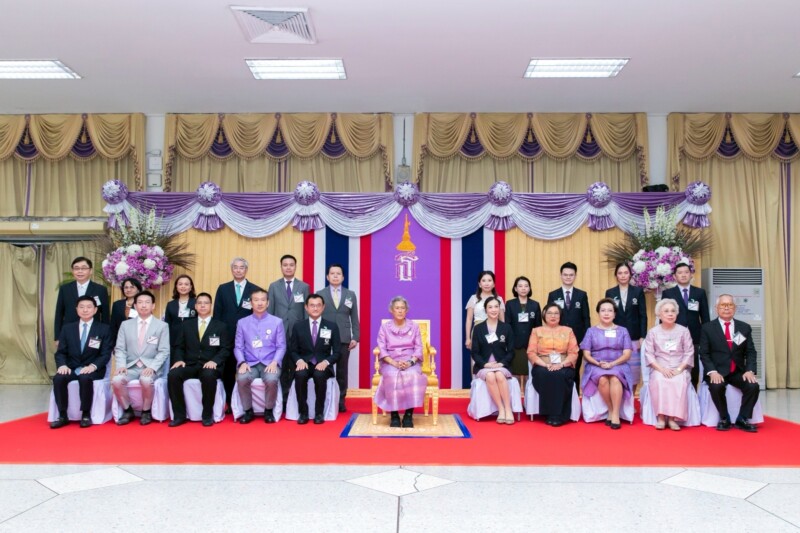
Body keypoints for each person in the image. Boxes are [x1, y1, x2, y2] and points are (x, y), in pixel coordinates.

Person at [168, 292, 232, 427]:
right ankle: (179, 415)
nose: (203, 305)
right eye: (200, 303)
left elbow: (225, 349)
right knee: (173, 375)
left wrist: (215, 361)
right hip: (190, 364)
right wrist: (178, 359)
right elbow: (179, 346)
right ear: (195, 306)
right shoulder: (186, 325)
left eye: (206, 303)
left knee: (208, 376)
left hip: (210, 365)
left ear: (211, 306)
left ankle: (207, 415)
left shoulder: (221, 326)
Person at [698, 294, 760, 433]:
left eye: (730, 305)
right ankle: (724, 418)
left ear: (735, 308)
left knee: (753, 386)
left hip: (737, 371)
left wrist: (750, 370)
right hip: (717, 371)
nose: (726, 308)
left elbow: (750, 352)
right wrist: (712, 372)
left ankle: (742, 418)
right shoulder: (708, 328)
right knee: (716, 386)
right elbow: (704, 353)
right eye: (723, 305)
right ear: (716, 308)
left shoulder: (744, 327)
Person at [50, 296, 113, 429]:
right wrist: (62, 365)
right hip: (72, 367)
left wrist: (93, 366)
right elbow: (60, 352)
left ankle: (85, 414)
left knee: (85, 378)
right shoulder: (67, 328)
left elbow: (105, 354)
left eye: (89, 307)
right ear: (76, 309)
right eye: (82, 307)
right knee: (59, 378)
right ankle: (62, 415)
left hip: (93, 369)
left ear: (95, 310)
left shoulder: (104, 329)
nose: (85, 310)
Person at [111, 291, 170, 426]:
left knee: (146, 380)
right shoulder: (125, 325)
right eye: (140, 303)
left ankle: (146, 411)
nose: (143, 305)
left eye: (147, 302)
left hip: (150, 366)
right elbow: (120, 348)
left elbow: (164, 351)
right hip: (130, 366)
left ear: (153, 305)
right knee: (117, 380)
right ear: (135, 306)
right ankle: (128, 410)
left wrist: (152, 367)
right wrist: (121, 365)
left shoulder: (162, 326)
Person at [214, 257, 263, 407]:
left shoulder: (255, 290)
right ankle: (229, 402)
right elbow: (217, 314)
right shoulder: (223, 289)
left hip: (249, 338)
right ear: (232, 269)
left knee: (246, 370)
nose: (238, 270)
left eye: (242, 267)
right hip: (227, 336)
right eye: (235, 267)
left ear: (246, 270)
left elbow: (260, 315)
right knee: (228, 370)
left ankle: (247, 404)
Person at [580, 298, 634, 430]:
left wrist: (612, 364)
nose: (606, 313)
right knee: (603, 379)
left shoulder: (623, 331)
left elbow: (627, 354)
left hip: (618, 364)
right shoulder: (591, 331)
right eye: (603, 310)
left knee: (615, 378)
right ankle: (611, 409)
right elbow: (586, 354)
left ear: (614, 314)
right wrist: (598, 363)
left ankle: (614, 414)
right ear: (598, 313)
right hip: (596, 365)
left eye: (610, 310)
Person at [233, 289, 285, 424]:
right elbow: (238, 347)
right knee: (242, 378)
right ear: (251, 303)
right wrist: (241, 362)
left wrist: (275, 362)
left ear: (268, 303)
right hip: (249, 363)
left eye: (263, 300)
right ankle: (248, 411)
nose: (259, 303)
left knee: (271, 379)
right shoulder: (242, 322)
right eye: (256, 300)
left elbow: (281, 346)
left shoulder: (277, 322)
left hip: (270, 362)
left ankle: (268, 411)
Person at [642, 298, 695, 431]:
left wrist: (679, 369)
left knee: (678, 381)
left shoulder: (684, 331)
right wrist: (662, 369)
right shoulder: (653, 332)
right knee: (660, 380)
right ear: (659, 314)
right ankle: (661, 417)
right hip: (659, 368)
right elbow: (649, 354)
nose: (670, 314)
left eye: (673, 311)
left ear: (677, 314)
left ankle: (672, 418)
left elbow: (689, 352)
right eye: (666, 311)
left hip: (679, 367)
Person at [375, 296, 427, 428]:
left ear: (406, 310)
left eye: (402, 308)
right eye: (397, 308)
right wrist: (393, 363)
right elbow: (382, 349)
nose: (400, 311)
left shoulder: (414, 326)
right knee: (392, 375)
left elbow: (419, 348)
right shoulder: (385, 327)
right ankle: (394, 415)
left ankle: (408, 415)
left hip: (410, 361)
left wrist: (410, 362)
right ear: (391, 310)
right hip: (390, 361)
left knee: (412, 375)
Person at [289, 294, 340, 424]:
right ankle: (303, 413)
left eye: (318, 305)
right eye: (312, 305)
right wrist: (299, 360)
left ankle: (319, 413)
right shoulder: (298, 326)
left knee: (319, 375)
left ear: (323, 307)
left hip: (323, 364)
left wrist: (326, 362)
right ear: (306, 307)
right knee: (300, 375)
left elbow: (337, 352)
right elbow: (293, 350)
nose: (315, 308)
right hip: (304, 363)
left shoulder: (332, 326)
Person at [267, 254, 310, 407]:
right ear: (281, 267)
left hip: (297, 332)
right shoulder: (274, 286)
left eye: (291, 265)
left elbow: (306, 311)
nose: (288, 267)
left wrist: (306, 331)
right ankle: (284, 399)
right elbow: (270, 311)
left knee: (296, 366)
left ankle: (295, 398)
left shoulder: (304, 287)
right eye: (285, 265)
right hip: (279, 332)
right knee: (282, 365)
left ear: (295, 267)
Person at [527, 303, 579, 427]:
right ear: (544, 315)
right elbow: (531, 353)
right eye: (550, 313)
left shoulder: (568, 331)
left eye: (556, 313)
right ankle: (550, 413)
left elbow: (574, 352)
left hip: (564, 364)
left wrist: (562, 364)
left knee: (560, 375)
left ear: (560, 316)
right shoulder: (536, 331)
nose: (553, 316)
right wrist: (545, 365)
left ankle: (557, 415)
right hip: (542, 364)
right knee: (546, 374)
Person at [317, 264, 360, 413]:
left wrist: (355, 337)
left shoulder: (350, 294)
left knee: (342, 371)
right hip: (325, 336)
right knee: (325, 369)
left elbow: (354, 317)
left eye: (338, 273)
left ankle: (341, 400)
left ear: (343, 277)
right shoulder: (320, 294)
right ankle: (326, 399)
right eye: (332, 273)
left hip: (344, 337)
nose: (335, 276)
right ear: (327, 277)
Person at [662, 262, 710, 387]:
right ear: (674, 276)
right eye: (680, 273)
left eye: (686, 272)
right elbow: (664, 318)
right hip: (673, 336)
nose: (683, 275)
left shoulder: (699, 293)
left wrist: (706, 337)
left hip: (695, 336)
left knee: (693, 365)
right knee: (673, 362)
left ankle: (692, 391)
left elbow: (705, 317)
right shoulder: (668, 293)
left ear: (691, 274)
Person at [471, 296, 516, 424]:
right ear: (485, 310)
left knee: (500, 375)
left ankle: (508, 409)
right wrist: (485, 364)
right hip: (484, 366)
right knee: (491, 376)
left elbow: (511, 351)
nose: (494, 310)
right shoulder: (478, 329)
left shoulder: (506, 328)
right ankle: (501, 409)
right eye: (490, 307)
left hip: (501, 365)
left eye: (496, 306)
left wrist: (502, 363)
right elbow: (475, 352)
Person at [547, 262, 590, 393]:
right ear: (561, 275)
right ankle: (560, 396)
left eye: (571, 275)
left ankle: (574, 397)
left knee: (574, 369)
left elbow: (586, 318)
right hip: (558, 339)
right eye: (565, 275)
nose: (568, 277)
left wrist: (586, 340)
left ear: (575, 276)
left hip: (577, 340)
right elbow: (549, 318)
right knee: (558, 369)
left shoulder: (581, 295)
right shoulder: (553, 295)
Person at [605, 263, 647, 386]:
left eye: (625, 273)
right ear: (616, 276)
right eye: (620, 273)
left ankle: (631, 396)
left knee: (633, 371)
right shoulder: (610, 292)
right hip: (616, 337)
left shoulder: (638, 292)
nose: (623, 276)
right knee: (617, 370)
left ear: (630, 275)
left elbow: (643, 315)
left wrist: (642, 336)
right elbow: (607, 315)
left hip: (634, 337)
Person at [54, 256, 110, 346]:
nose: (80, 271)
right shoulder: (65, 289)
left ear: (90, 271)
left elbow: (105, 315)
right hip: (70, 332)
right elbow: (59, 314)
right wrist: (57, 337)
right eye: (76, 268)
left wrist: (105, 336)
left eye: (83, 268)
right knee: (70, 354)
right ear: (72, 271)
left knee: (92, 353)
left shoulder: (100, 290)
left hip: (94, 333)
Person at [505, 275, 542, 387]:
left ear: (529, 288)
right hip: (515, 344)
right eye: (520, 286)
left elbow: (538, 326)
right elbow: (507, 325)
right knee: (515, 375)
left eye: (526, 286)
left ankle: (528, 397)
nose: (523, 288)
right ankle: (515, 398)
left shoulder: (535, 305)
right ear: (515, 289)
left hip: (531, 344)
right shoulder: (510, 304)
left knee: (528, 375)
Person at [464, 270, 505, 349]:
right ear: (479, 284)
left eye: (489, 280)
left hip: (494, 331)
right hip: (478, 331)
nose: (486, 283)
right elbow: (469, 319)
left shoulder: (499, 299)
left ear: (494, 284)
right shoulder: (473, 298)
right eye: (483, 280)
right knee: (477, 355)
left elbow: (502, 320)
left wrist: (503, 336)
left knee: (493, 354)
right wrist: (468, 338)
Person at [164, 274, 197, 351]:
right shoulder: (170, 304)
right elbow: (167, 324)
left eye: (186, 284)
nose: (183, 286)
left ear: (191, 287)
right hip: (174, 340)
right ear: (176, 286)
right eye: (180, 284)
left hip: (192, 340)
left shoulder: (196, 303)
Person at [110, 277, 142, 344]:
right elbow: (113, 326)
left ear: (138, 290)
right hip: (120, 340)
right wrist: (112, 344)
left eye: (132, 287)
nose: (128, 290)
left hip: (138, 341)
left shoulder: (142, 304)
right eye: (126, 287)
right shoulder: (117, 304)